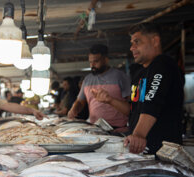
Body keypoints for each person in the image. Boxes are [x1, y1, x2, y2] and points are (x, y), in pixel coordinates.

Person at [90, 23, 184, 154]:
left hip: (163, 151)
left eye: (137, 42)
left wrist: (138, 135)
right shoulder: (140, 74)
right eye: (132, 43)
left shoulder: (162, 64)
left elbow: (152, 103)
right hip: (143, 150)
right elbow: (133, 111)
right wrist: (109, 100)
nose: (132, 48)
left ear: (155, 41)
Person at [67, 44, 131, 131]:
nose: (92, 65)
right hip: (95, 129)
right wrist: (74, 109)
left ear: (106, 60)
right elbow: (80, 101)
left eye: (96, 62)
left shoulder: (120, 76)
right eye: (90, 62)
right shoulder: (87, 79)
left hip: (118, 129)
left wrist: (110, 100)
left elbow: (130, 106)